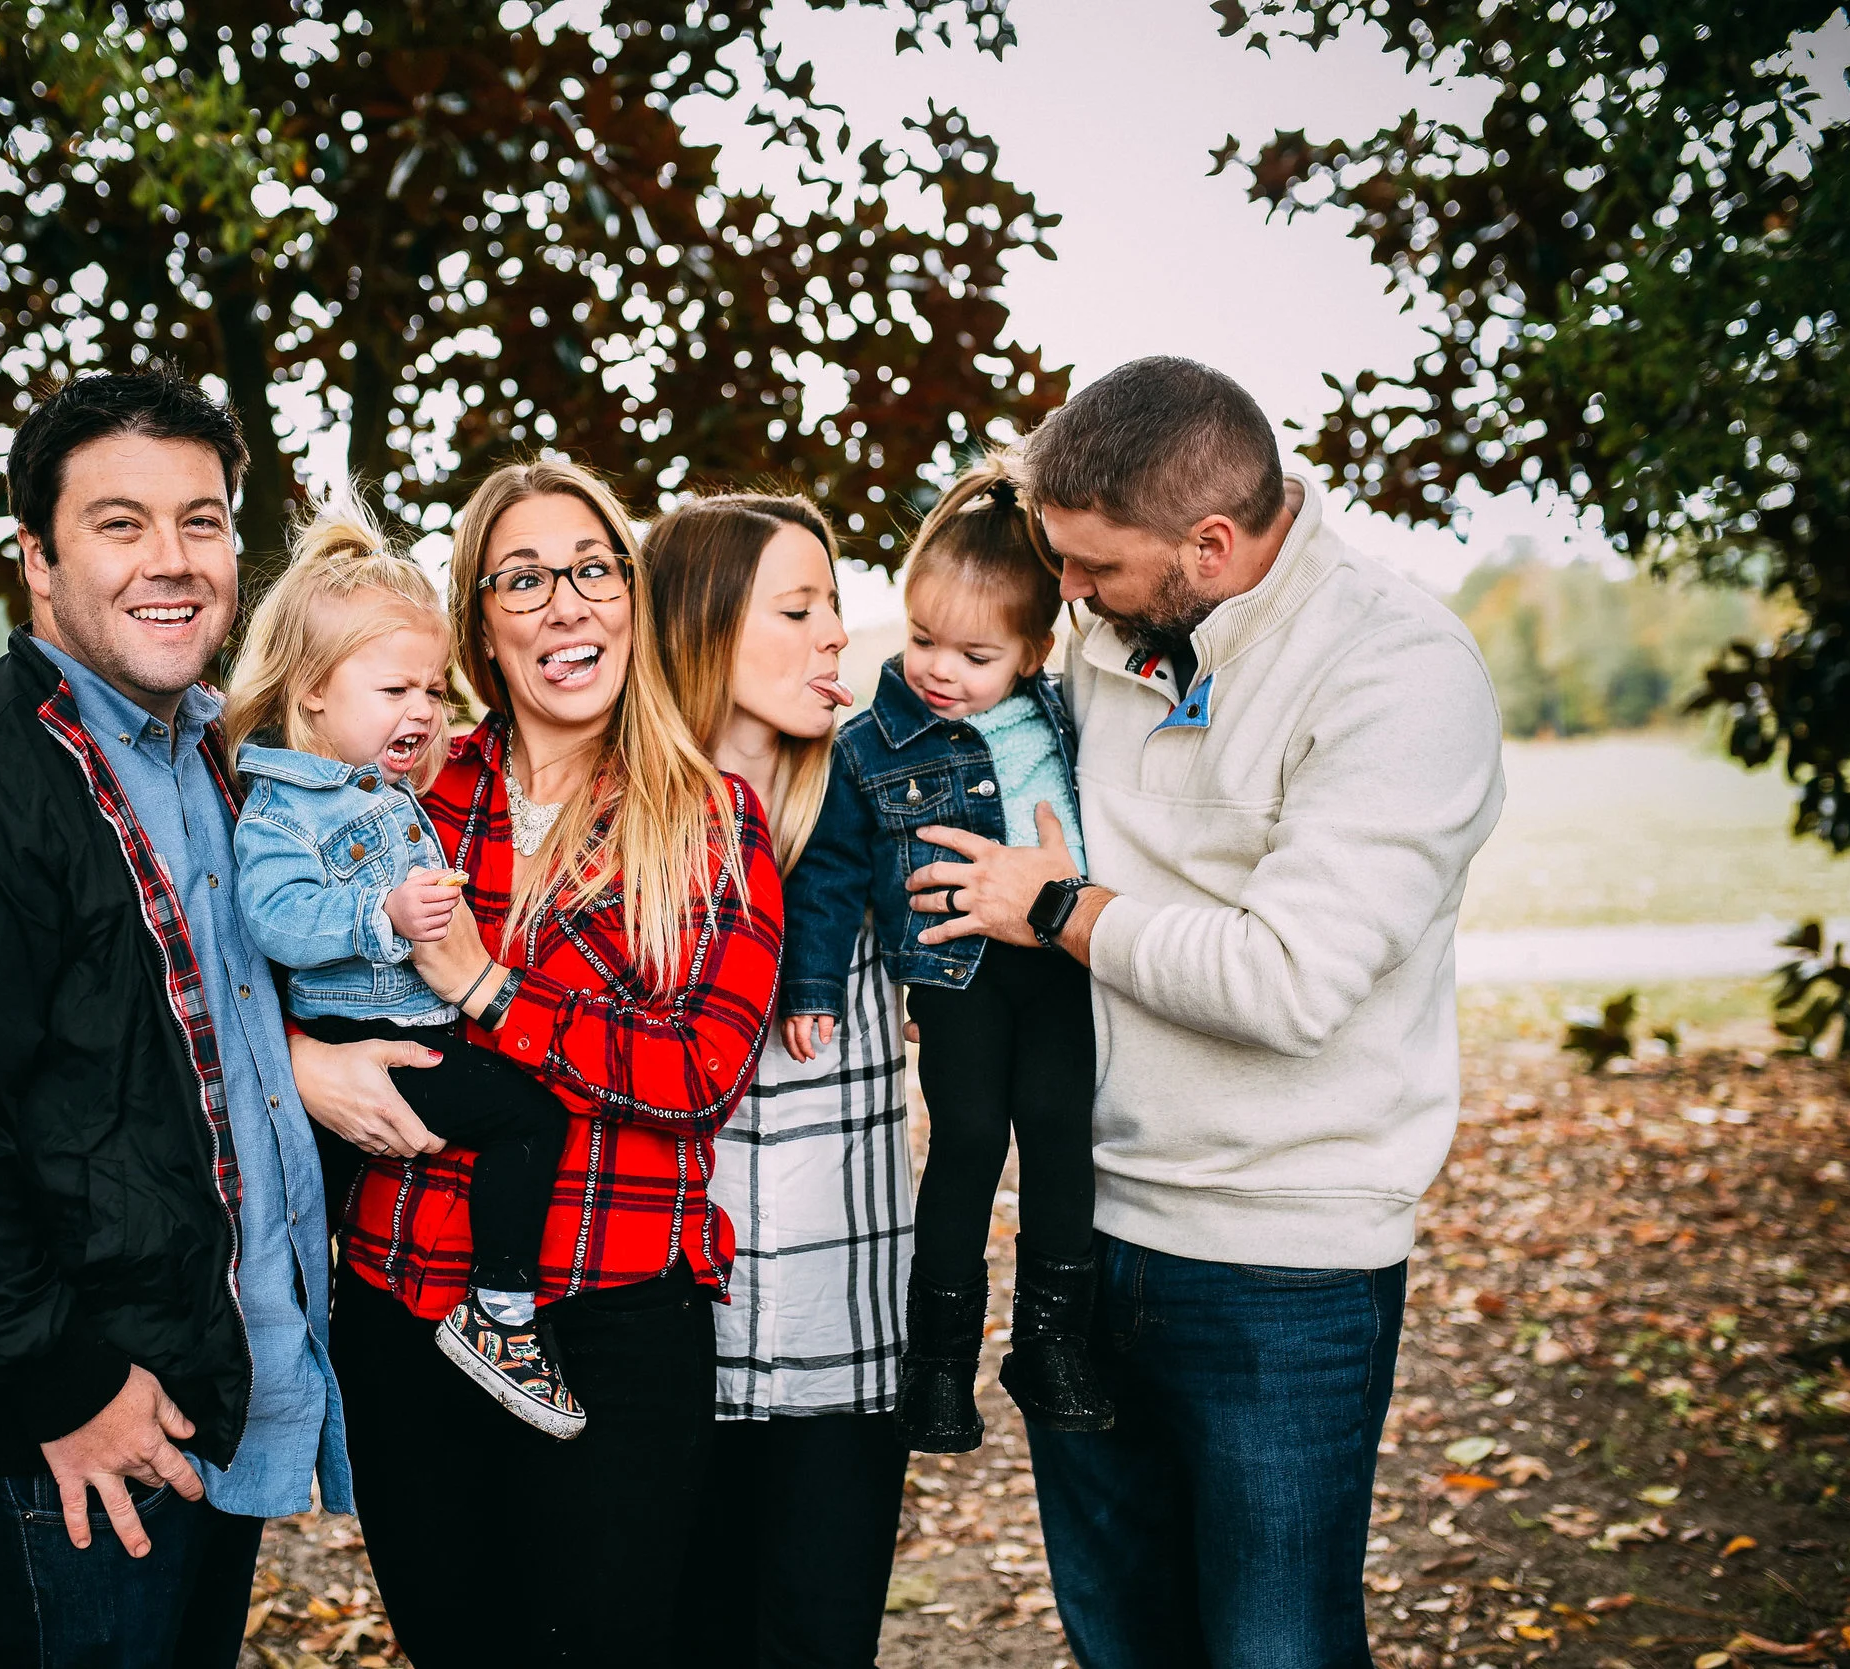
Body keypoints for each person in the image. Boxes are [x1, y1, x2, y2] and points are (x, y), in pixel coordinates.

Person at [903, 356, 1506, 1667]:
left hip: (1282, 1263)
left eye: (1093, 568)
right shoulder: (1114, 631)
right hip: (1085, 1232)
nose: (1065, 595)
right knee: (1122, 1639)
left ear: (1212, 543)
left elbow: (1291, 981)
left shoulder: (1396, 674)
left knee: (1273, 1647)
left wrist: (1058, 907)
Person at [0, 366, 350, 1667]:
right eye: (120, 523)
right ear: (38, 561)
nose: (170, 561)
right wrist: (67, 1391)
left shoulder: (221, 758)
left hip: (197, 1399)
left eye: (202, 519)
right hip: (75, 1437)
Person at [322, 458, 786, 1669]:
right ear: (480, 621)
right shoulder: (410, 792)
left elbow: (696, 1073)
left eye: (590, 569)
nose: (565, 604)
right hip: (404, 1300)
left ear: (630, 594)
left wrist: (487, 987)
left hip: (617, 1316)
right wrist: (297, 1059)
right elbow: (259, 964)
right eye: (522, 579)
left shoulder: (712, 816)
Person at [221, 502, 581, 1438]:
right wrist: (379, 917)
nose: (422, 710)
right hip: (357, 1037)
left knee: (331, 1206)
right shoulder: (283, 809)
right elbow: (274, 917)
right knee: (526, 1118)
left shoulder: (379, 791)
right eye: (394, 691)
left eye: (433, 689)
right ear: (310, 696)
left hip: (406, 1031)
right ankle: (501, 1315)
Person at [780, 454, 1110, 1454]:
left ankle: (1048, 1341)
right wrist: (812, 982)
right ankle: (935, 1362)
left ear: (1030, 651)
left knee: (1059, 1128)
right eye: (923, 637)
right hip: (956, 972)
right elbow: (831, 873)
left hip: (1058, 964)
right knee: (966, 1139)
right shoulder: (872, 742)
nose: (939, 668)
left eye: (973, 653)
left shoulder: (1067, 713)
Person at [645, 493, 915, 1669]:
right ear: (701, 630)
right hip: (658, 1342)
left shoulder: (874, 810)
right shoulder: (622, 840)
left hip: (838, 1341)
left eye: (835, 610)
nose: (833, 639)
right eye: (796, 609)